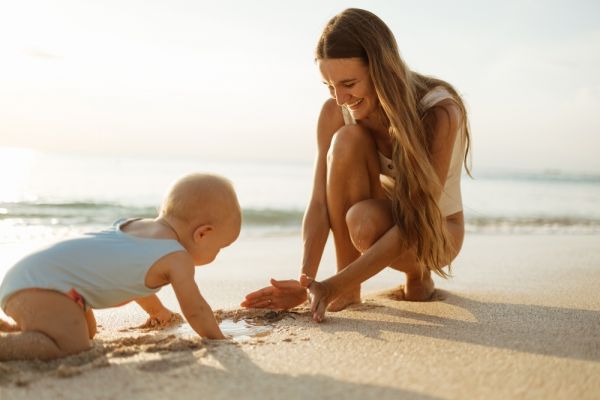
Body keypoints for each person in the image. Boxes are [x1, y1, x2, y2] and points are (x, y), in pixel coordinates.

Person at [242, 8, 471, 322]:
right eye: (329, 85)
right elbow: (320, 203)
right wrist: (307, 281)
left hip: (437, 230)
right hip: (384, 216)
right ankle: (350, 287)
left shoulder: (438, 112)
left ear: (382, 69)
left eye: (348, 83)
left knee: (364, 223)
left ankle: (415, 275)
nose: (339, 98)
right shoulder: (335, 113)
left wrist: (331, 287)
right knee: (348, 145)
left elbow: (417, 218)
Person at [0, 173, 241, 360]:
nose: (217, 254)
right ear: (203, 234)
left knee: (87, 332)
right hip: (44, 287)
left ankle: (20, 330)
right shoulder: (178, 258)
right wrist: (219, 339)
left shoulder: (137, 227)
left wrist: (157, 312)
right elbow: (195, 309)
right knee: (73, 345)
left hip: (40, 280)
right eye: (220, 247)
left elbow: (136, 279)